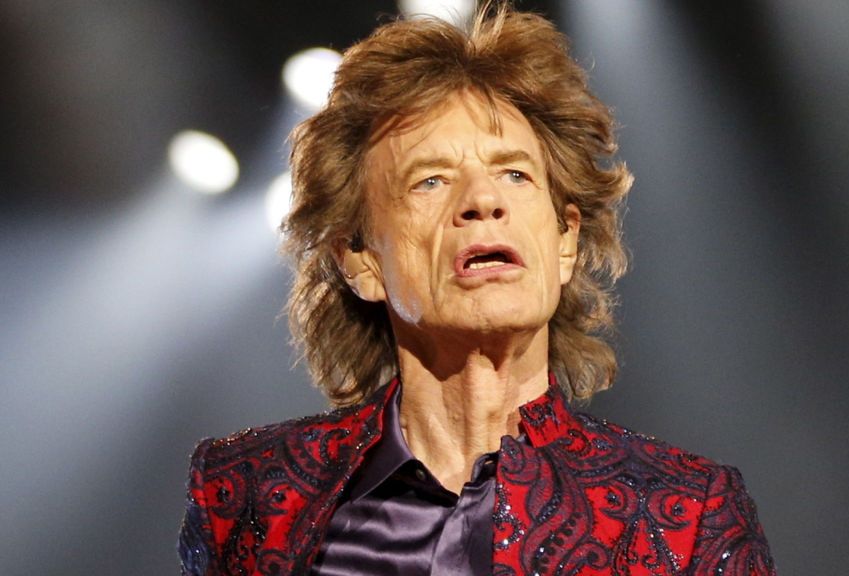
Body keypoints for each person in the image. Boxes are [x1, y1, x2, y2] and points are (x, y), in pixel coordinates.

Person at [178, 4, 775, 575]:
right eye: (430, 180)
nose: (483, 201)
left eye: (514, 174)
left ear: (565, 240)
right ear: (360, 260)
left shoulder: (686, 514)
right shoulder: (250, 495)